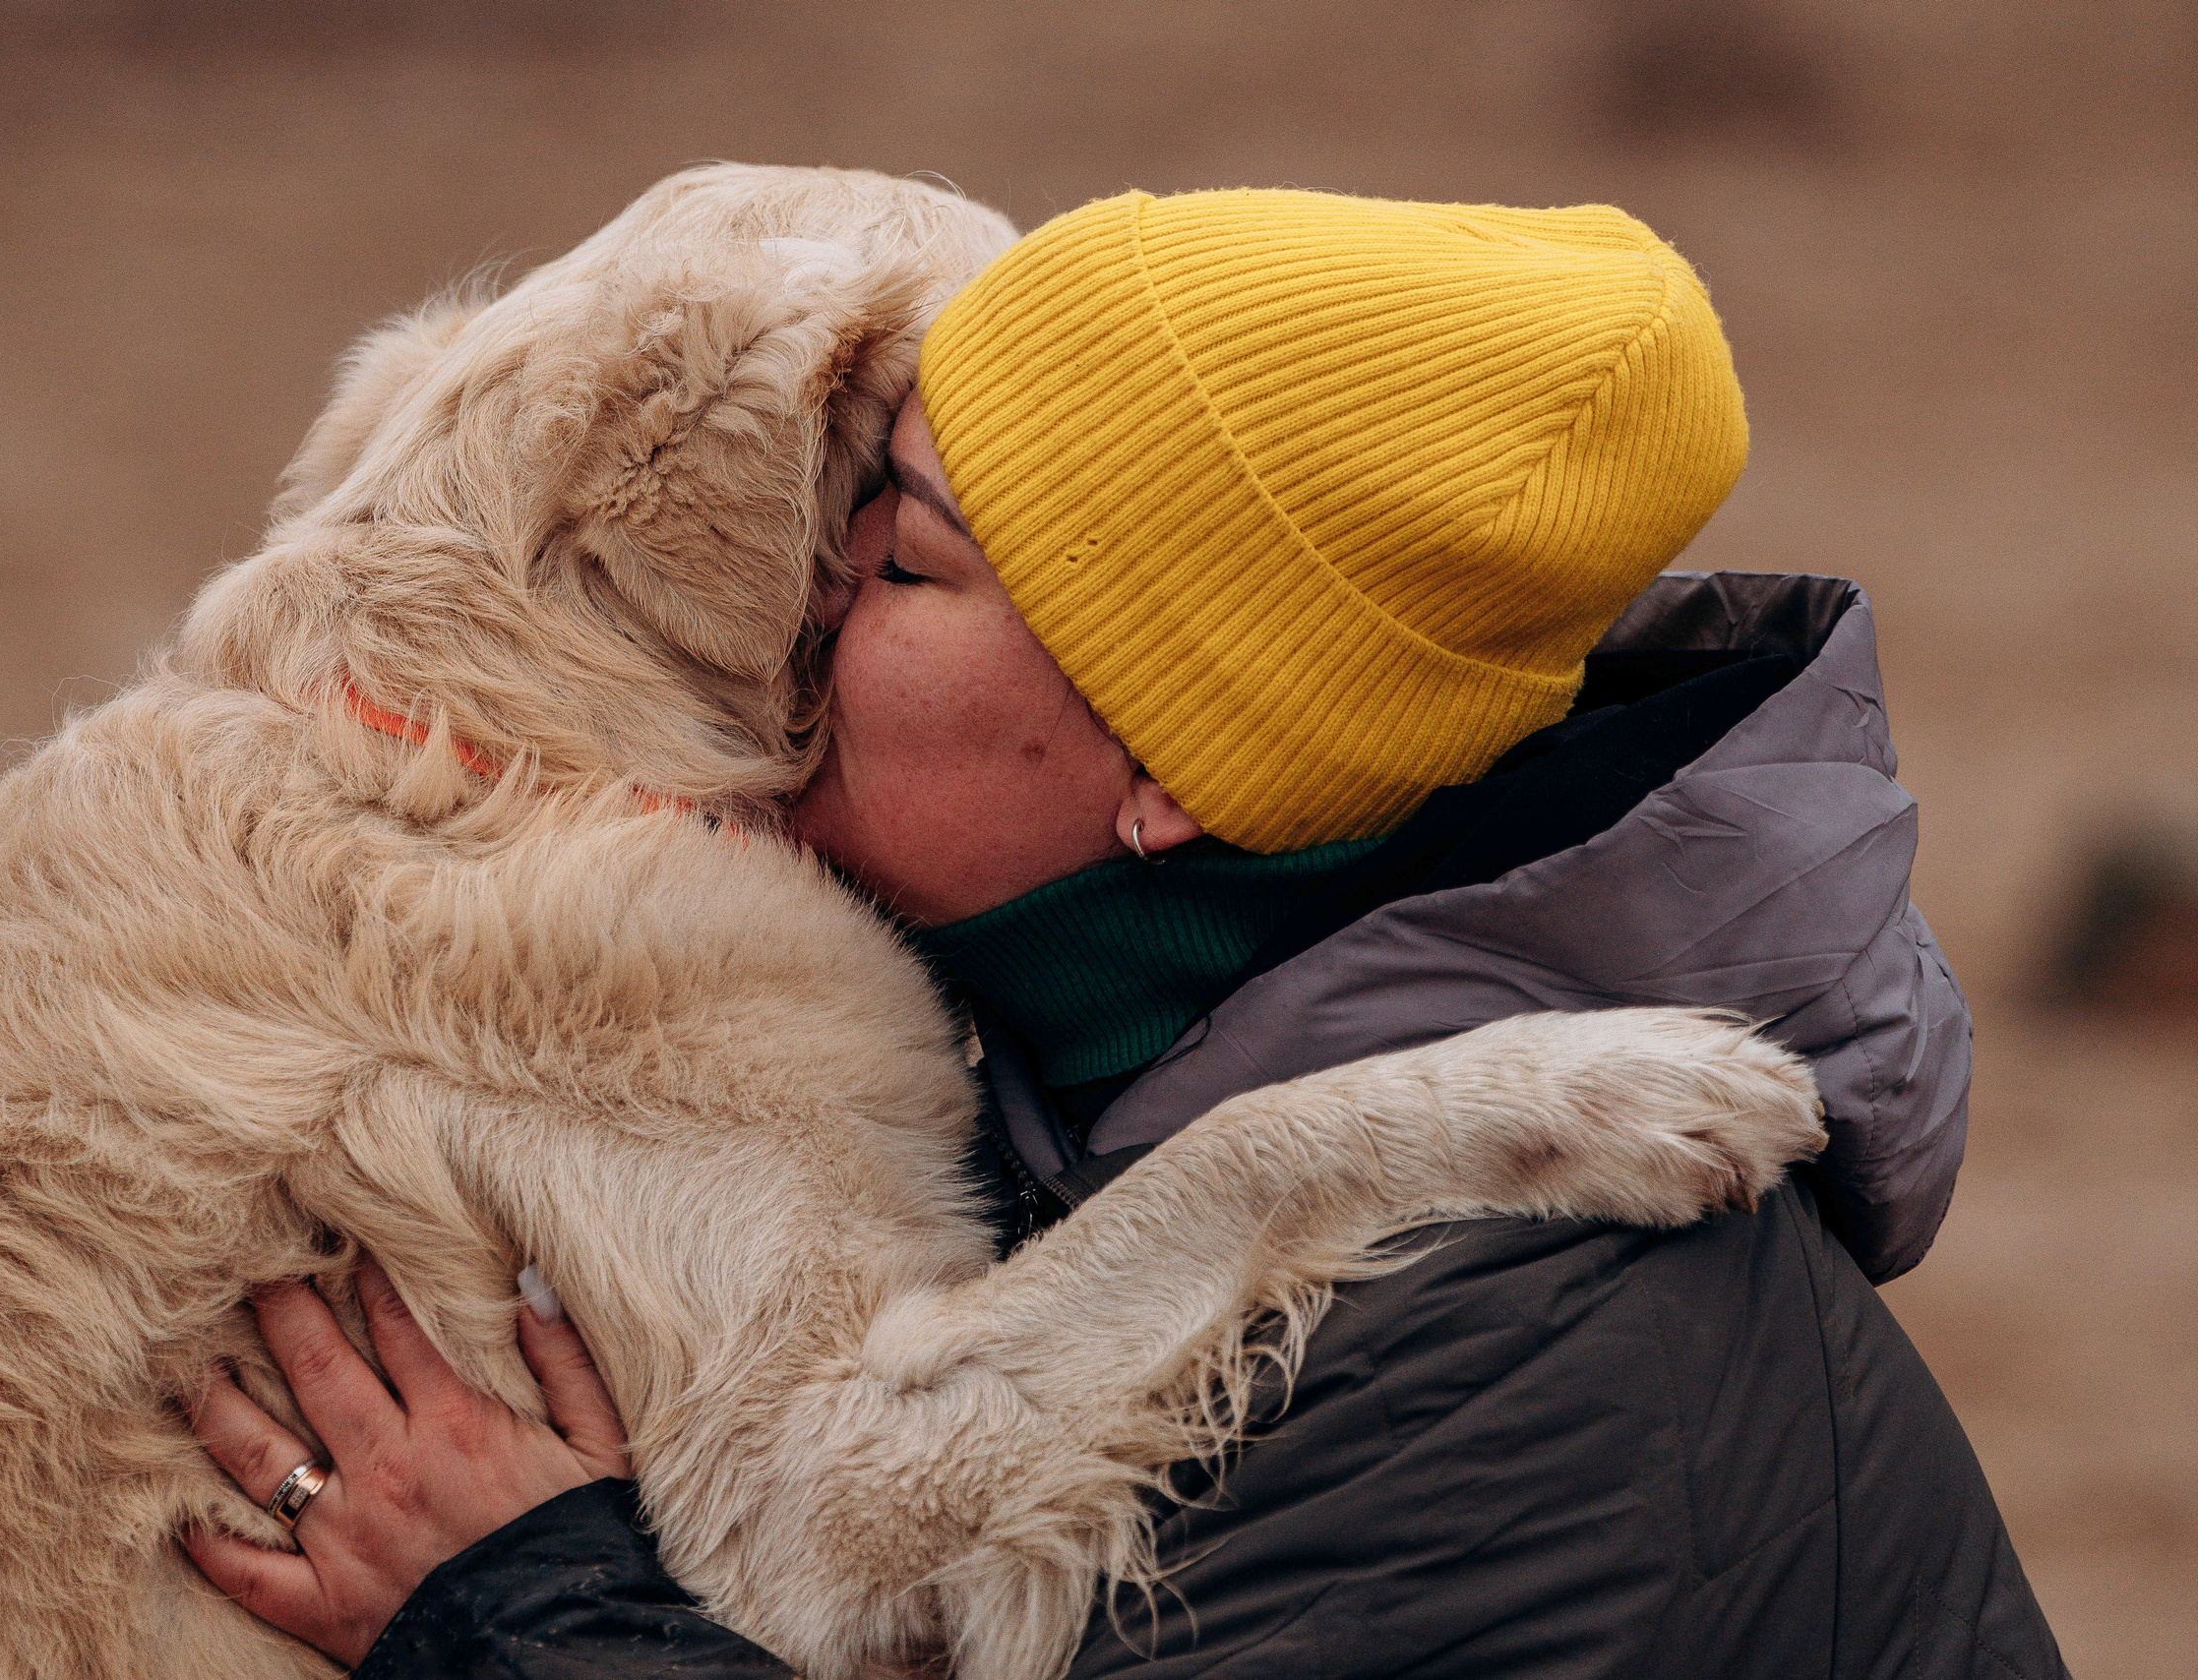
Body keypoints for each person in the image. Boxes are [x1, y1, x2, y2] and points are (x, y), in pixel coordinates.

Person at [184, 188, 2066, 1677]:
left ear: (1170, 768)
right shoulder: (1065, 1058)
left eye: (904, 560)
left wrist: (522, 1624)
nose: (807, 595)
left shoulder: (1499, 1354)